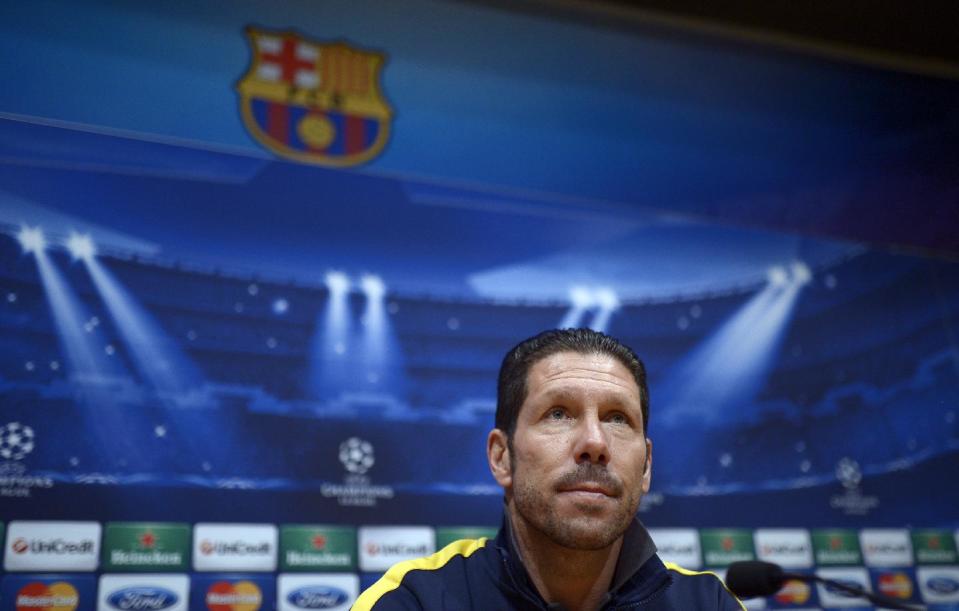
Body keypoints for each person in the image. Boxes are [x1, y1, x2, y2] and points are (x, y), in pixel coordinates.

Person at [353, 328, 745, 610]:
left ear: (646, 467)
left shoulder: (709, 603)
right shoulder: (414, 600)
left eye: (618, 418)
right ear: (501, 457)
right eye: (558, 413)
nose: (595, 443)